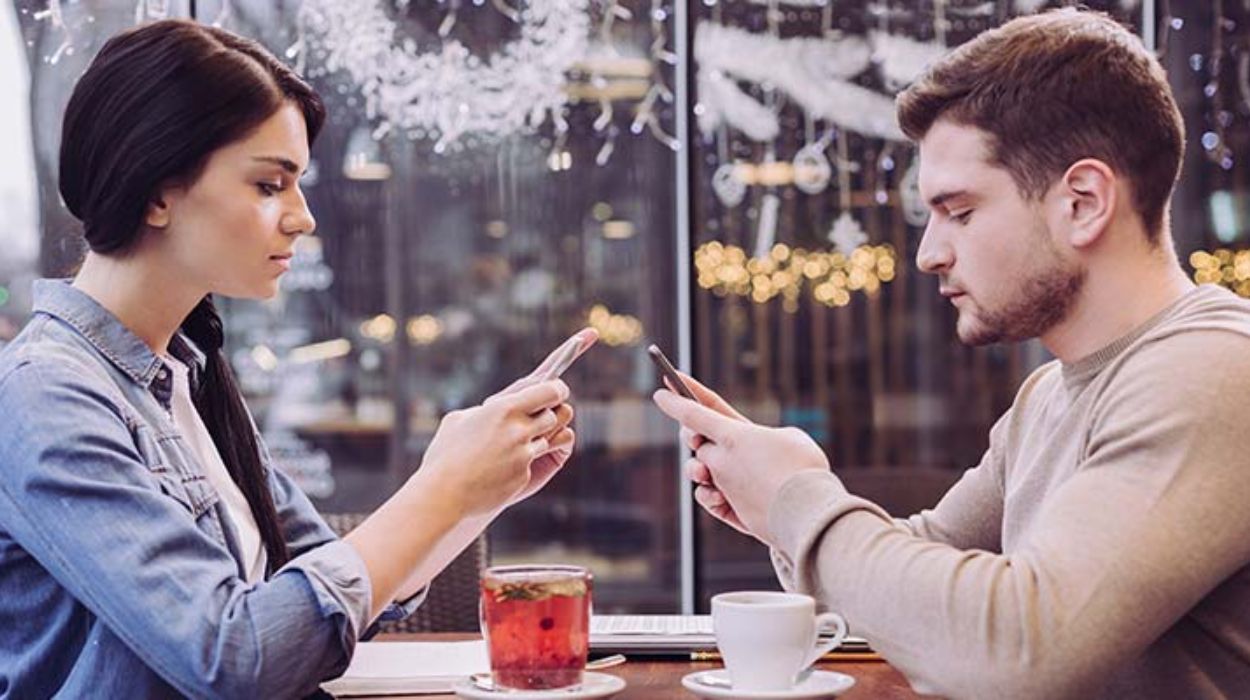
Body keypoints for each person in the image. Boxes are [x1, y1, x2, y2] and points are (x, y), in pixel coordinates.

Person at [653, 8, 1250, 699]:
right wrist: (770, 507)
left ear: (1083, 202)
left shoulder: (1213, 371)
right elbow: (928, 565)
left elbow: (1019, 647)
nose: (929, 253)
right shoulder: (1049, 396)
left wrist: (799, 500)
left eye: (960, 212)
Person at [0, 19, 595, 699]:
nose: (304, 216)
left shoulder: (187, 380)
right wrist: (444, 490)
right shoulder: (46, 395)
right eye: (268, 185)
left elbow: (316, 600)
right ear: (158, 192)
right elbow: (236, 659)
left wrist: (476, 493)